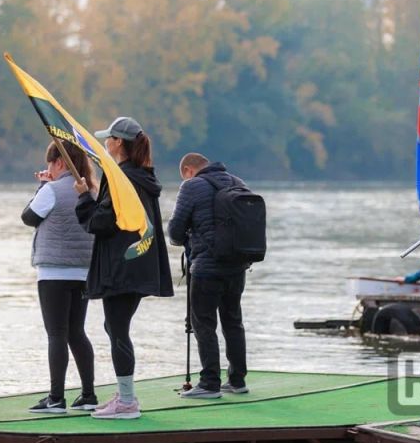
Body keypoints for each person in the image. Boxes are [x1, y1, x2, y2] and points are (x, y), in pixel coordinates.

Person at [75, 117, 174, 419]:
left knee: (117, 330)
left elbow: (100, 223)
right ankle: (124, 392)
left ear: (118, 143)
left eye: (109, 138)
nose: (106, 142)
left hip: (122, 264)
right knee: (114, 327)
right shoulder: (142, 176)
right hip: (138, 263)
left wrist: (83, 197)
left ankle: (128, 402)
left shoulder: (121, 179)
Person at [21, 140, 97, 414]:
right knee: (77, 332)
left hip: (53, 271)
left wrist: (43, 185)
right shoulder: (90, 190)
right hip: (83, 271)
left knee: (56, 334)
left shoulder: (50, 190)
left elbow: (28, 217)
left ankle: (56, 398)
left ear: (60, 163)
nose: (49, 169)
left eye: (51, 164)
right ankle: (88, 394)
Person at [168, 153, 251, 399]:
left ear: (188, 171)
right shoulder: (239, 183)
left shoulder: (192, 186)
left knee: (203, 323)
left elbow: (174, 231)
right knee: (233, 321)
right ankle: (237, 380)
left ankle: (209, 383)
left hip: (206, 267)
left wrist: (187, 238)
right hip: (238, 265)